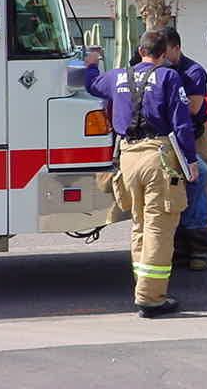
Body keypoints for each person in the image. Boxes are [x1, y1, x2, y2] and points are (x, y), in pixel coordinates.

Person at [84, 30, 198, 318]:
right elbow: (181, 123)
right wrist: (191, 161)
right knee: (160, 226)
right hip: (157, 158)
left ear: (139, 50)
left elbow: (92, 86)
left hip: (127, 160)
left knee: (139, 225)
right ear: (163, 55)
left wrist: (92, 63)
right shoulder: (169, 77)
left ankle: (142, 287)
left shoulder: (117, 77)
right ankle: (151, 298)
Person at [165, 27, 207, 271]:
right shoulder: (160, 69)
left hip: (196, 135)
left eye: (165, 52)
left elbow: (194, 108)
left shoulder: (193, 72)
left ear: (177, 48)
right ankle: (180, 248)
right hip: (171, 137)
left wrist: (162, 101)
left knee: (202, 183)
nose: (162, 57)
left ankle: (201, 249)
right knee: (175, 190)